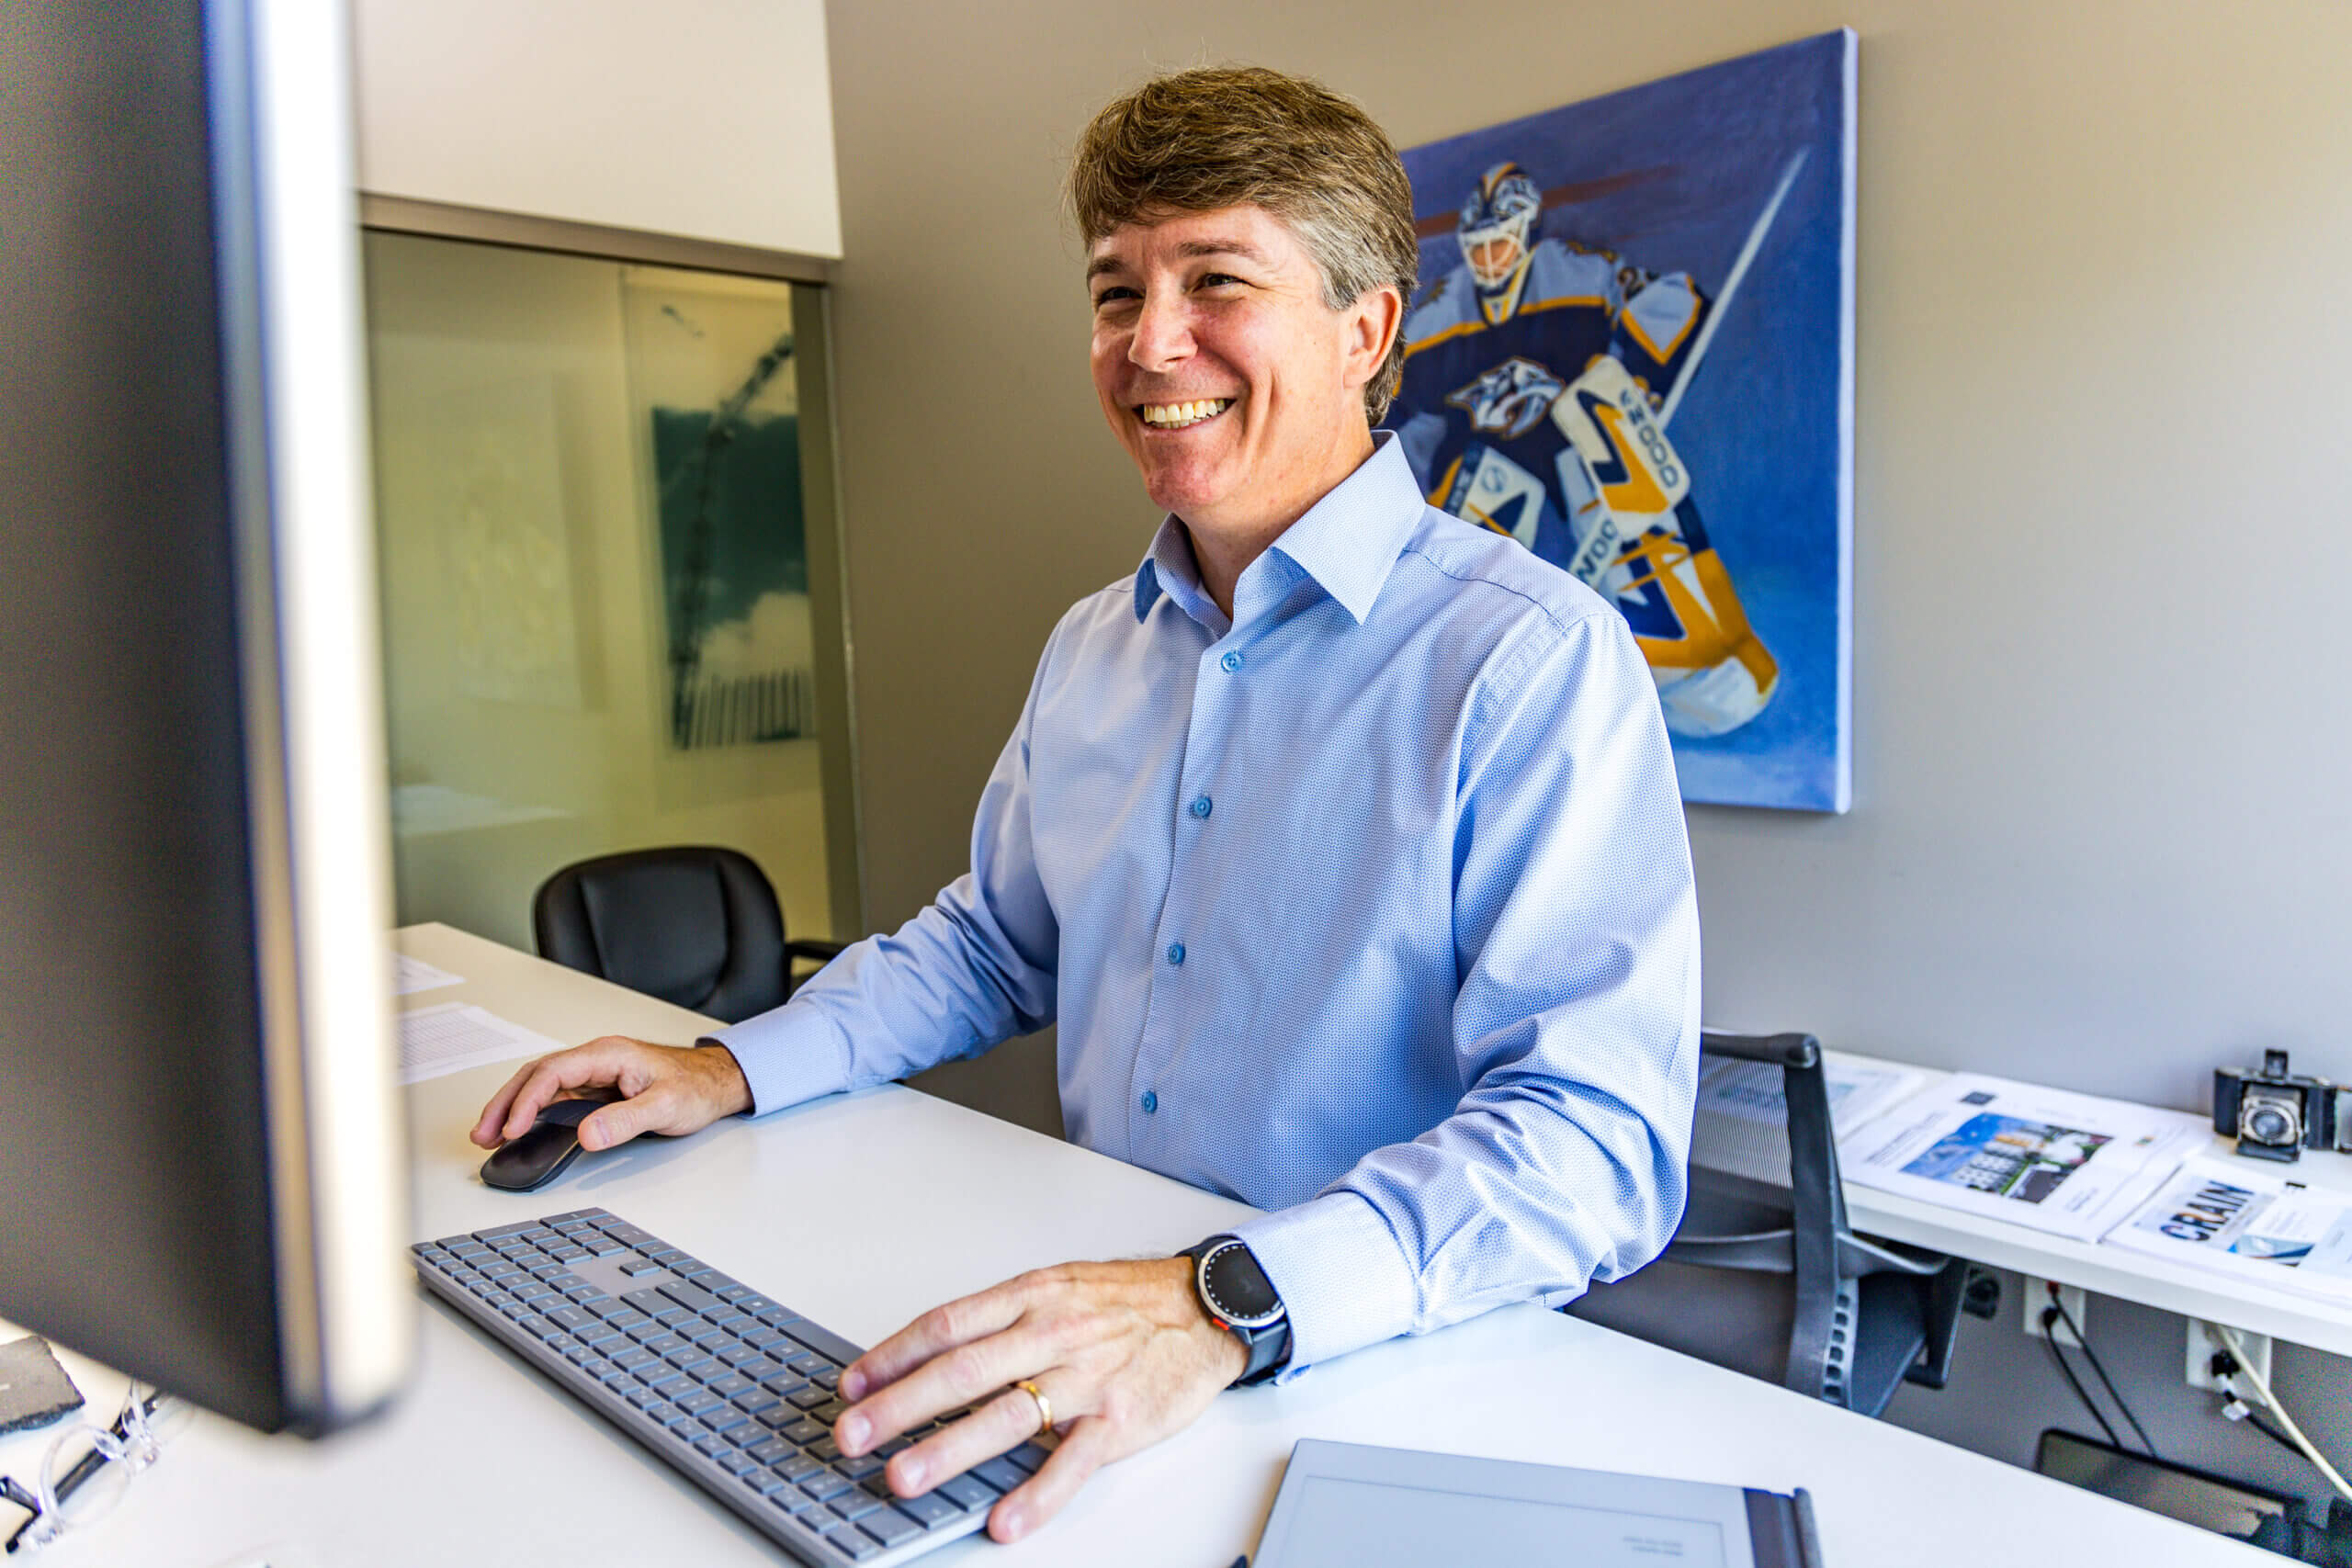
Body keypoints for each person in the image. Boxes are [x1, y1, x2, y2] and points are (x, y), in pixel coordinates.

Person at [472, 65, 1701, 1545]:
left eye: (1217, 280)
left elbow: (1598, 1146)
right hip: (1083, 1331)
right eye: (1117, 293)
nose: (1149, 343)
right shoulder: (1093, 645)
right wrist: (732, 1066)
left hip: (1352, 1365)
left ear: (1367, 330)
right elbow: (996, 944)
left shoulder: (1526, 659)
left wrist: (1220, 1298)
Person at [1392, 160, 1780, 737]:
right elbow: (1402, 416)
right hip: (1492, 459)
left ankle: (1693, 652)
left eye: (1501, 244)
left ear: (1525, 233)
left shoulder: (1572, 271)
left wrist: (1627, 379)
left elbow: (1673, 299)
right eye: (1479, 247)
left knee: (1603, 427)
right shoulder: (1445, 310)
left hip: (1580, 439)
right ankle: (1452, 680)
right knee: (1464, 530)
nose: (1490, 260)